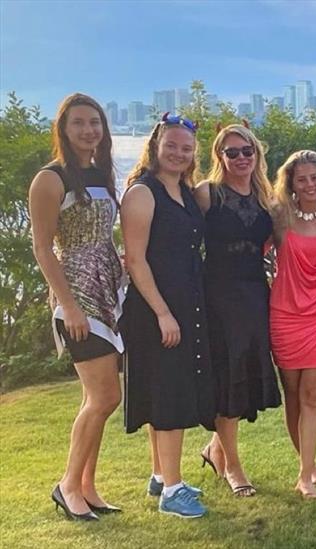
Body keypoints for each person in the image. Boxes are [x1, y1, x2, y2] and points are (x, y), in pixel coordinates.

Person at [29, 93, 124, 521]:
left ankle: (86, 487)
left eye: (95, 123)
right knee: (105, 396)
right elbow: (43, 248)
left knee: (97, 398)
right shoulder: (51, 179)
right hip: (78, 294)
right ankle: (68, 484)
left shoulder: (100, 173)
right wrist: (68, 306)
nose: (89, 131)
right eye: (79, 123)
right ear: (64, 130)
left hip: (107, 288)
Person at [121, 113, 215, 518]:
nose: (179, 153)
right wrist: (163, 313)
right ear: (156, 145)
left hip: (184, 302)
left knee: (167, 389)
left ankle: (161, 475)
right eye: (172, 145)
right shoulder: (143, 193)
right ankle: (173, 492)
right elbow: (135, 261)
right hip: (155, 308)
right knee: (170, 394)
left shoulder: (185, 191)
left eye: (187, 148)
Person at [194, 123, 282, 497]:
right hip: (217, 295)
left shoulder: (265, 196)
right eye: (232, 152)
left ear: (256, 154)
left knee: (244, 371)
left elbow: (276, 243)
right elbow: (179, 238)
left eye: (247, 151)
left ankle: (215, 450)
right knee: (227, 374)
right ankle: (233, 466)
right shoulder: (206, 194)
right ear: (219, 157)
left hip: (254, 293)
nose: (241, 158)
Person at [270, 150, 316, 499]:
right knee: (293, 396)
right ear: (291, 184)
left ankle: (305, 476)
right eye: (302, 179)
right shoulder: (279, 217)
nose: (311, 184)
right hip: (284, 316)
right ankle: (308, 464)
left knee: (313, 395)